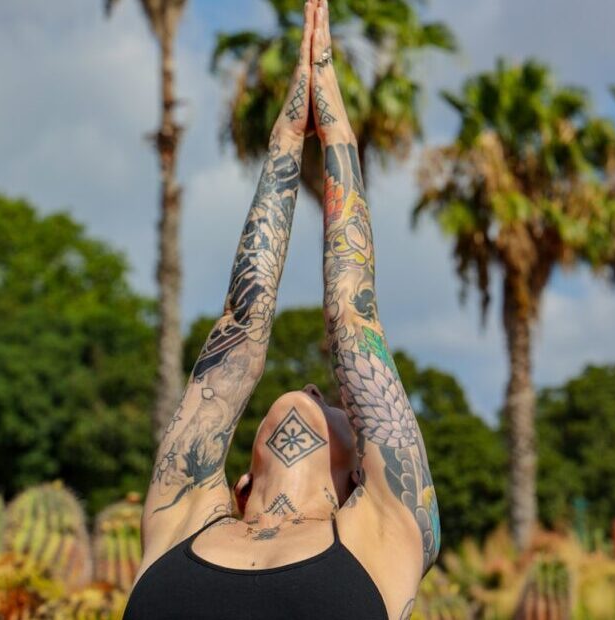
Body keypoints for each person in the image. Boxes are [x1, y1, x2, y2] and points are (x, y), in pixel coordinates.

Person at [123, 1, 439, 618]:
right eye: (326, 394)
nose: (313, 386)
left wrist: (338, 136)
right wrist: (289, 135)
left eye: (330, 400)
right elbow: (241, 323)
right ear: (237, 488)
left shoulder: (382, 533)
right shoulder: (181, 516)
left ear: (361, 486)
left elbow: (355, 320)